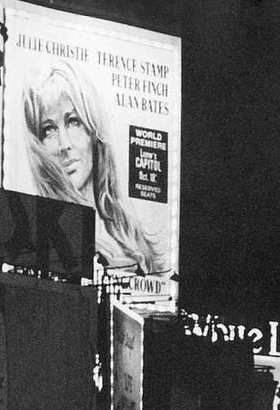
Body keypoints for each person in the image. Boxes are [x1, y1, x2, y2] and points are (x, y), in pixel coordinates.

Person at [20, 57, 170, 277]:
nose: (65, 144)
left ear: (93, 129)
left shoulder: (128, 231)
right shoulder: (42, 242)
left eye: (73, 122)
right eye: (48, 130)